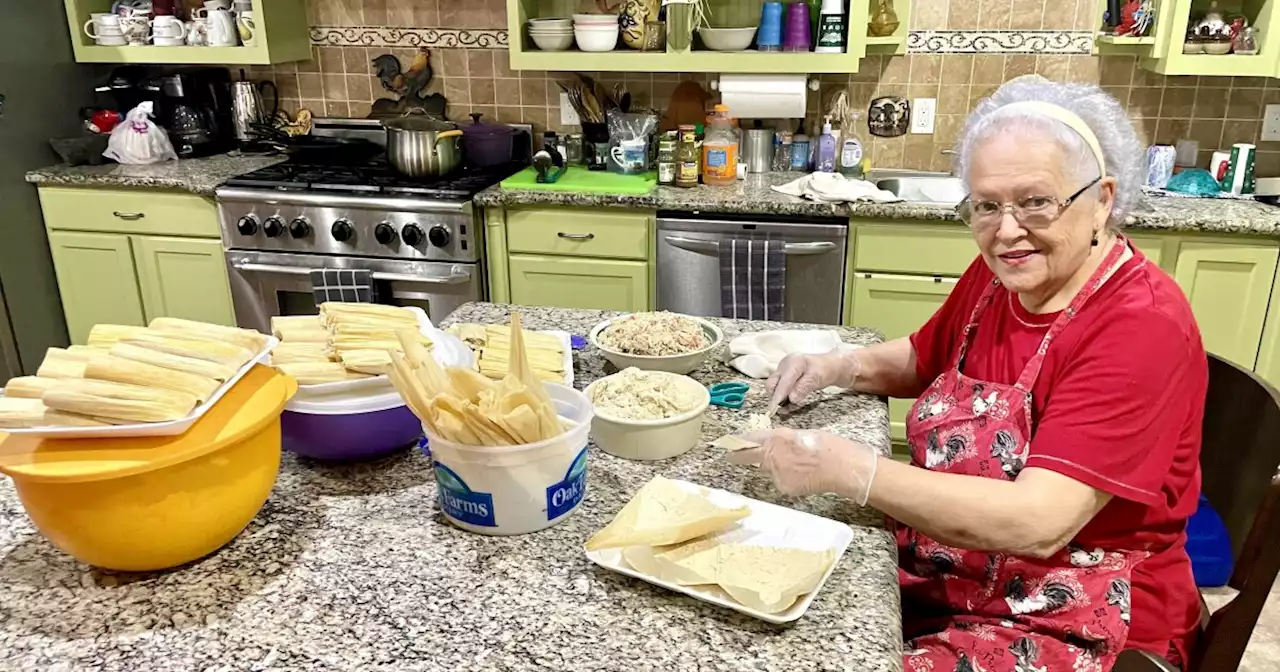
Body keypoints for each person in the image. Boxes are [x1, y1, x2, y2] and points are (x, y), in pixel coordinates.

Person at [731, 75, 1204, 671]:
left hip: (1075, 615)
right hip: (958, 567)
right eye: (985, 206)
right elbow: (925, 358)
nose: (1006, 230)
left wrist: (845, 468)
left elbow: (1040, 522)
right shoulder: (1001, 277)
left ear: (1102, 199)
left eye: (1036, 201)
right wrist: (835, 366)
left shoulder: (1140, 325)